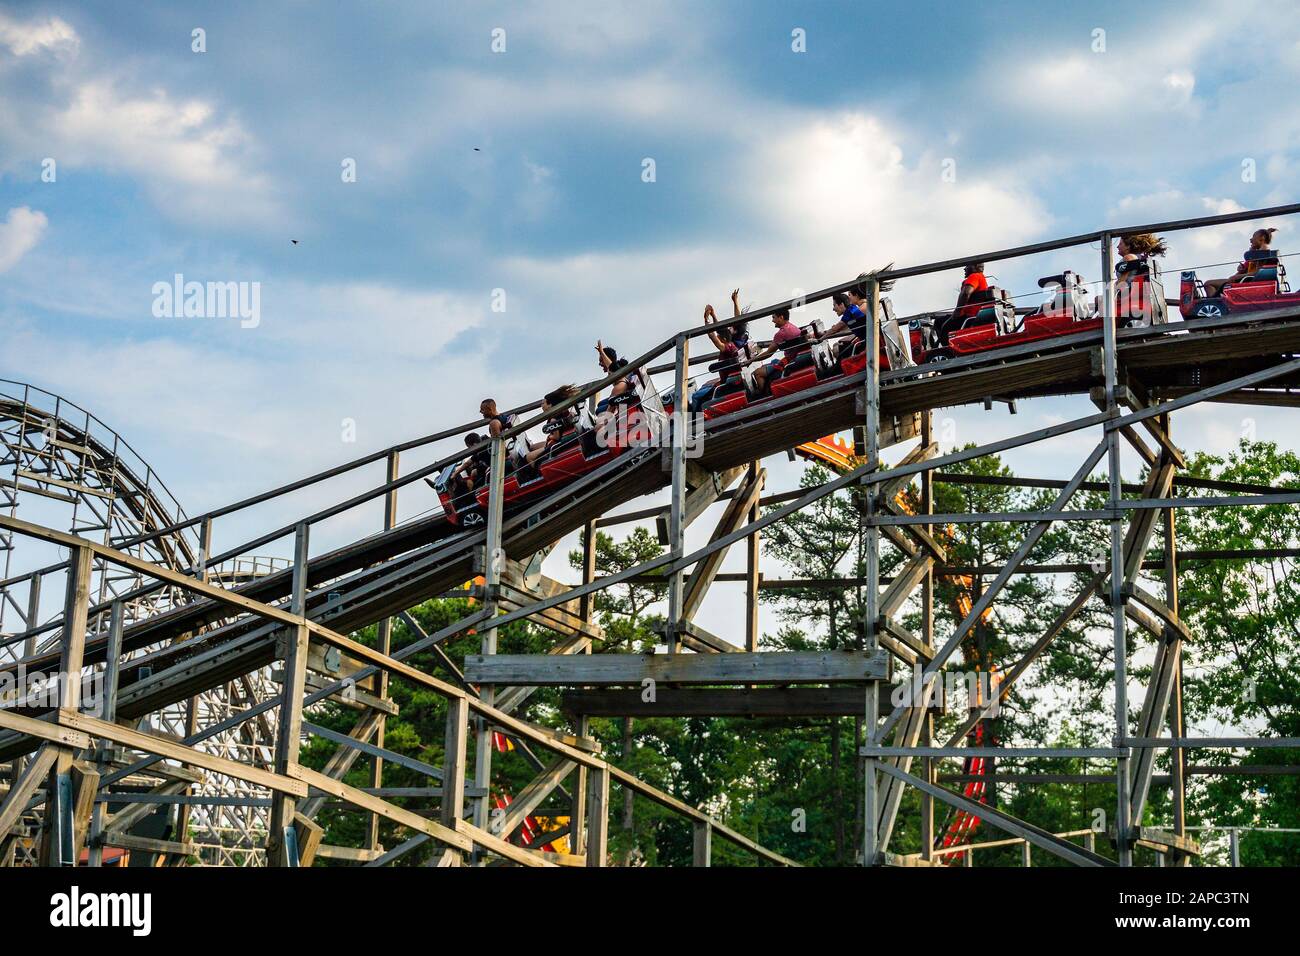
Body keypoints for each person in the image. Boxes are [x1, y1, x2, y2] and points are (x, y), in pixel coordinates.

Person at [689, 296, 744, 412]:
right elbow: (721, 330)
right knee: (706, 385)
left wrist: (706, 319)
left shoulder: (727, 348)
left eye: (720, 337)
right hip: (732, 378)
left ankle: (693, 421)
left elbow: (712, 336)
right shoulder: (734, 343)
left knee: (695, 396)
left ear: (723, 339)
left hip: (728, 382)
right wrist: (713, 315)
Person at [1204, 228, 1278, 297]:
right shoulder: (1255, 254)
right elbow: (1249, 269)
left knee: (1208, 284)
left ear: (1262, 238)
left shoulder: (1263, 250)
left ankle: (1215, 303)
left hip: (1246, 281)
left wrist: (1237, 276)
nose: (1251, 240)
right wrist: (1241, 270)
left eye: (1253, 236)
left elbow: (1258, 273)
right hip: (1244, 279)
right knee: (1211, 285)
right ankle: (1218, 300)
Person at [746, 308, 804, 392]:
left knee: (757, 373)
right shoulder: (791, 326)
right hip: (794, 357)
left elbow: (768, 353)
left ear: (781, 317)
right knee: (767, 365)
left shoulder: (781, 333)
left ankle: (763, 397)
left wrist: (751, 360)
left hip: (789, 361)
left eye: (774, 317)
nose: (772, 321)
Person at [524, 385, 579, 465]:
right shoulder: (563, 412)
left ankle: (537, 473)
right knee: (531, 447)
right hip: (555, 441)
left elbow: (556, 437)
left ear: (550, 405)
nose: (541, 406)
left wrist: (549, 437)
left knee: (528, 457)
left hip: (555, 444)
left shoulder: (553, 419)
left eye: (543, 403)